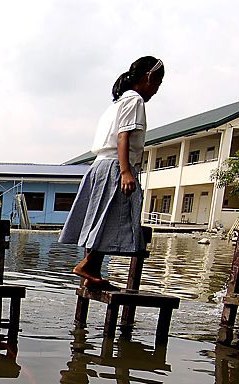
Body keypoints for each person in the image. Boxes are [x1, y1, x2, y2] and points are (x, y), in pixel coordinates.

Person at [59, 56, 165, 290]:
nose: (156, 90)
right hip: (116, 166)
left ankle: (92, 269)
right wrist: (126, 171)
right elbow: (123, 136)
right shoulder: (134, 100)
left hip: (101, 165)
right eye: (157, 83)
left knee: (104, 216)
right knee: (118, 217)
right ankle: (89, 265)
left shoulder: (117, 103)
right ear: (148, 77)